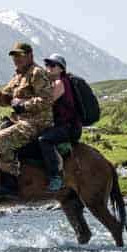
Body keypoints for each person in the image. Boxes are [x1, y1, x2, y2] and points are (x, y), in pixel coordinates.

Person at [0, 42, 57, 198]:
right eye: (14, 56)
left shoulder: (37, 73)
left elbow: (47, 99)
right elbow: (4, 100)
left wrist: (23, 106)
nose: (16, 59)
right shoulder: (17, 76)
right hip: (19, 121)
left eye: (20, 55)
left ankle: (11, 184)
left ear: (30, 55)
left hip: (36, 123)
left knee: (2, 140)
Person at [39, 53, 84, 192]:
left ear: (61, 69)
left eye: (53, 65)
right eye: (47, 65)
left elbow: (46, 103)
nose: (49, 68)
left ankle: (55, 177)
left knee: (43, 140)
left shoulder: (60, 83)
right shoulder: (58, 82)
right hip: (63, 125)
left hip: (68, 127)